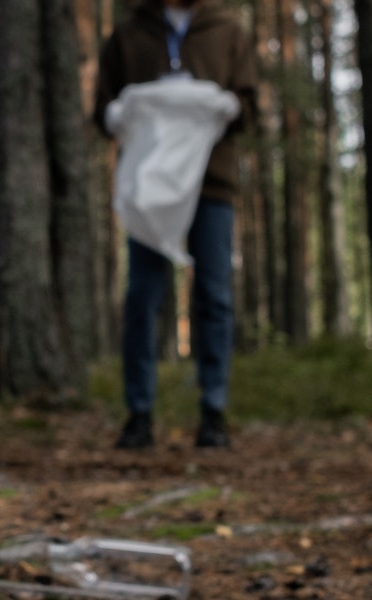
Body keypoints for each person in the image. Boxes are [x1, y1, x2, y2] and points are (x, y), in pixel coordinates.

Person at [94, 0, 258, 449]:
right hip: (150, 189)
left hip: (212, 185)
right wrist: (117, 114)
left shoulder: (227, 31)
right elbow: (103, 107)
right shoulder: (129, 34)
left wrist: (224, 106)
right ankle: (139, 413)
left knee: (214, 294)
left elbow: (250, 105)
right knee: (143, 298)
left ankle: (213, 412)